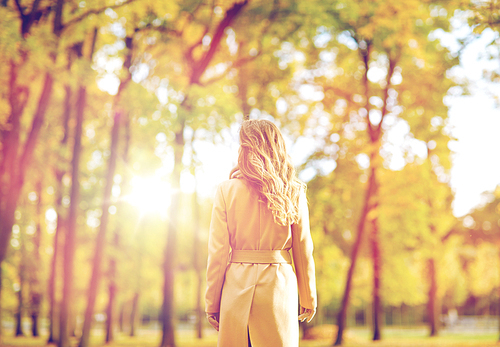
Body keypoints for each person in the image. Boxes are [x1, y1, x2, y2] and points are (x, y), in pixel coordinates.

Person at [205, 119, 317, 347]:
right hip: (278, 286)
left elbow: (217, 253)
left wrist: (212, 303)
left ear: (244, 148)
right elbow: (303, 250)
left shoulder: (226, 190)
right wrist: (308, 296)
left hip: (236, 286)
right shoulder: (292, 192)